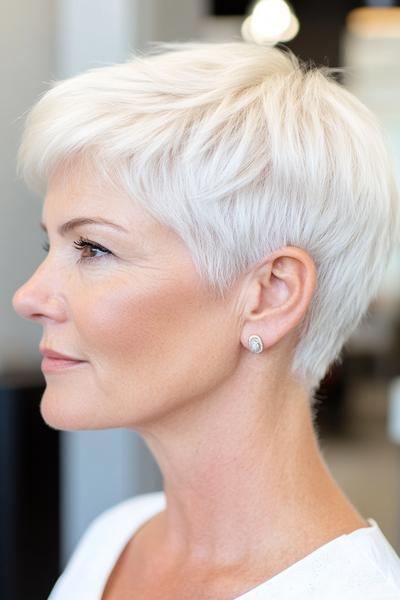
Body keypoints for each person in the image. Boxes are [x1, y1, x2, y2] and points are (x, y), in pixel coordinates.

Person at [13, 41, 400, 599]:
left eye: (93, 248)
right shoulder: (117, 538)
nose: (28, 296)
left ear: (270, 293)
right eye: (49, 245)